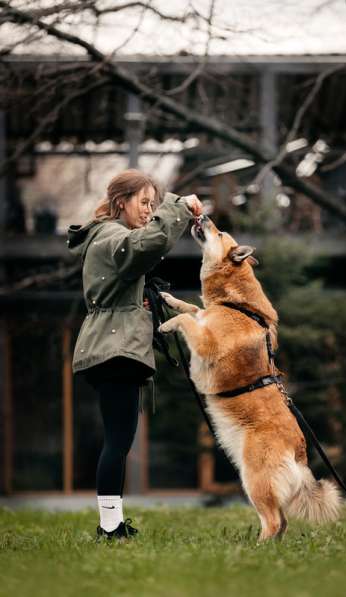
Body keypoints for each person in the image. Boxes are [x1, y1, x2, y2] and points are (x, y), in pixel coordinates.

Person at [67, 169, 202, 540]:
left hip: (111, 346)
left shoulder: (108, 236)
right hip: (114, 348)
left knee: (119, 438)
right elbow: (148, 245)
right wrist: (178, 206)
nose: (148, 210)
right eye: (143, 202)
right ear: (120, 202)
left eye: (153, 204)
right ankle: (110, 526)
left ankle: (112, 522)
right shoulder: (112, 234)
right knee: (117, 440)